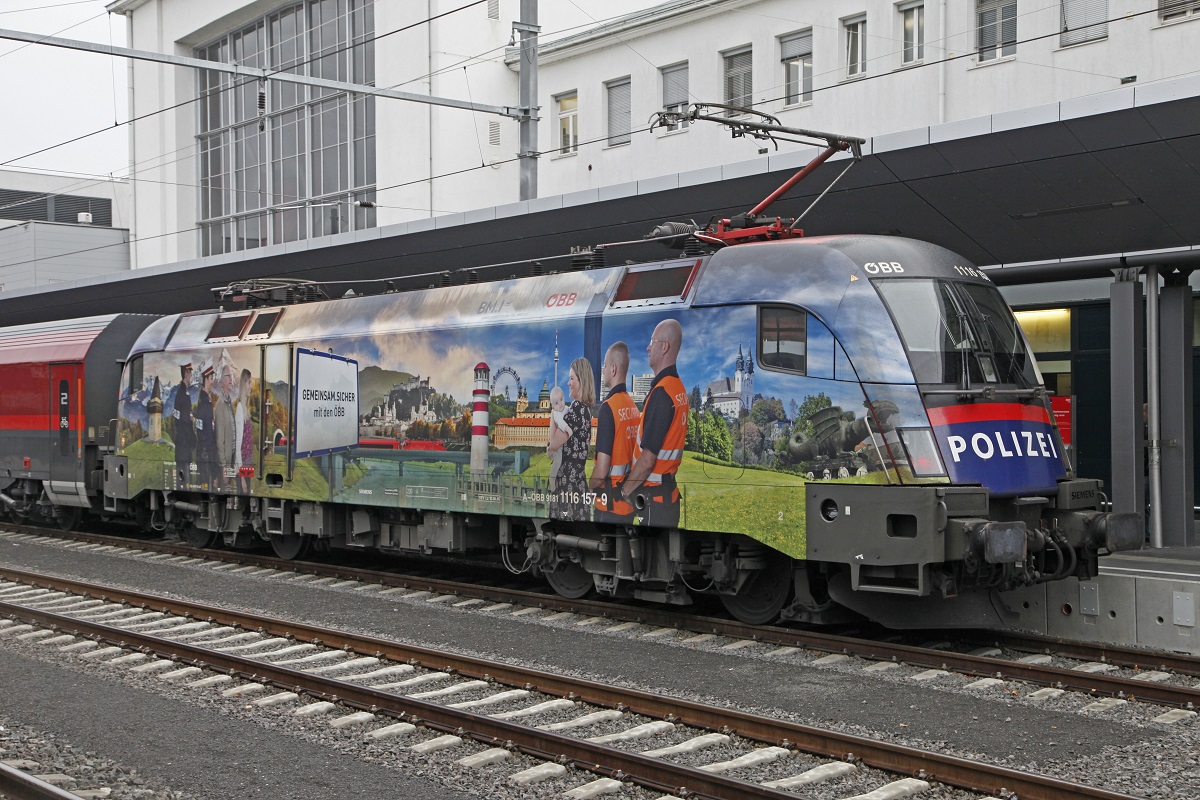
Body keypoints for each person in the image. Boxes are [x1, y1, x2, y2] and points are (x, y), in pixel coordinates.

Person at [620, 319, 689, 527]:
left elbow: (648, 460)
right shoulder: (678, 389)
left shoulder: (662, 393)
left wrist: (625, 490)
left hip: (654, 501)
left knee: (649, 559)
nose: (648, 347)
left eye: (652, 341)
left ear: (665, 346)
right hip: (667, 497)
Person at [590, 342, 640, 524]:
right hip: (627, 502)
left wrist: (590, 487)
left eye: (604, 366)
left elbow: (602, 469)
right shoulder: (633, 408)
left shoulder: (608, 408)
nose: (602, 371)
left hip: (608, 505)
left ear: (612, 369)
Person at [548, 356, 595, 522]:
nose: (568, 383)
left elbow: (553, 443)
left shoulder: (576, 409)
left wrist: (553, 414)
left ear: (581, 381)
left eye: (572, 378)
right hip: (578, 484)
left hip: (567, 486)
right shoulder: (586, 410)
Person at [214, 364, 237, 492]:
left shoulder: (229, 402)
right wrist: (224, 467)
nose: (231, 379)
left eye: (232, 376)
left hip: (231, 459)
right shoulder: (221, 404)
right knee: (225, 491)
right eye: (228, 376)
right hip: (226, 462)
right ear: (222, 380)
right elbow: (219, 439)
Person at [194, 365, 217, 491]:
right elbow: (205, 432)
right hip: (206, 454)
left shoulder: (203, 402)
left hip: (203, 453)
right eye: (211, 378)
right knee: (206, 488)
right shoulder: (204, 404)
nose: (213, 382)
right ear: (206, 379)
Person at [172, 362, 195, 488]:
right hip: (183, 445)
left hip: (183, 445)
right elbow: (183, 421)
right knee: (185, 483)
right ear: (186, 372)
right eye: (191, 372)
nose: (192, 375)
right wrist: (191, 437)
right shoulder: (182, 395)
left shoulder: (182, 393)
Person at [546, 385, 573, 490]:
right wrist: (568, 429)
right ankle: (552, 478)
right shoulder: (556, 413)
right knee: (557, 461)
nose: (560, 404)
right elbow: (560, 423)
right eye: (556, 403)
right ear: (553, 406)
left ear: (564, 398)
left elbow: (569, 410)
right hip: (558, 447)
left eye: (561, 400)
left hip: (559, 443)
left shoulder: (565, 408)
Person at [235, 368, 254, 493]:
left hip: (248, 465)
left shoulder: (245, 409)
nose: (251, 387)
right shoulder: (240, 410)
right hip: (243, 467)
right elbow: (238, 446)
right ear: (243, 384)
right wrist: (241, 477)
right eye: (249, 383)